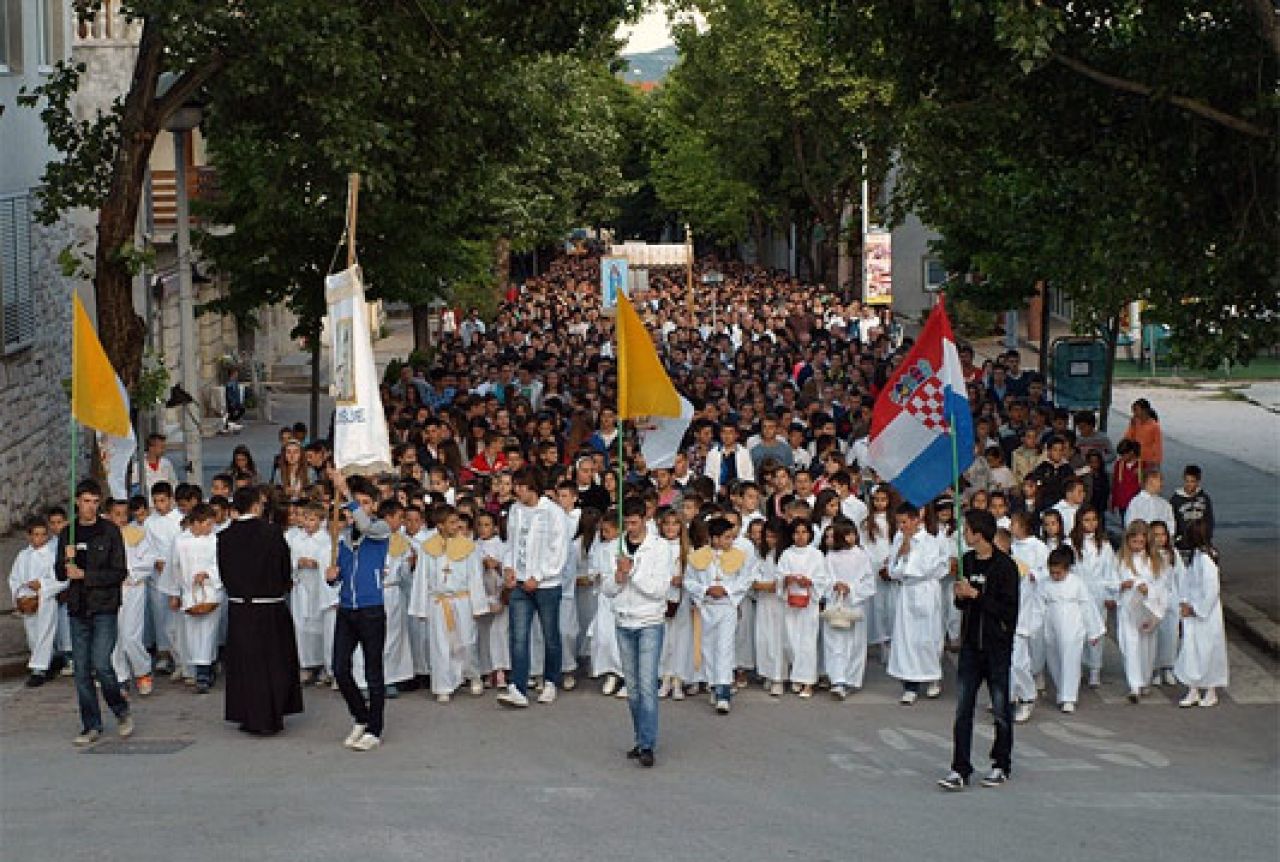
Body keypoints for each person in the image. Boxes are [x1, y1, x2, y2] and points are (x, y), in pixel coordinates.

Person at [937, 510, 1019, 791]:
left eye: (967, 529)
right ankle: (960, 768)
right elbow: (963, 606)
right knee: (963, 710)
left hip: (996, 648)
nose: (964, 534)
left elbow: (1008, 611)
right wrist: (960, 597)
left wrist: (977, 596)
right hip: (971, 646)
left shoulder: (1005, 567)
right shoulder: (967, 561)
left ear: (979, 533)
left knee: (999, 708)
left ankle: (1001, 763)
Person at [218, 486, 304, 736]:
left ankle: (248, 715)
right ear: (256, 506)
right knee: (272, 662)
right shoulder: (272, 534)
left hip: (239, 607)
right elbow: (283, 569)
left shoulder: (224, 537)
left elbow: (225, 573)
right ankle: (272, 714)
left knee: (245, 663)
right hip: (270, 606)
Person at [54, 479, 133, 746]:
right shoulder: (68, 533)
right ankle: (91, 724)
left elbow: (119, 571)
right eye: (85, 501)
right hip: (78, 608)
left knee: (101, 663)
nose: (89, 507)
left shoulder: (109, 531)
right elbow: (58, 572)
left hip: (104, 606)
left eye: (94, 502)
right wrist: (67, 560)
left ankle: (120, 709)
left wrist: (86, 575)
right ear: (77, 502)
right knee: (81, 671)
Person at [601, 500, 674, 768]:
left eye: (634, 522)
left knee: (646, 684)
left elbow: (658, 589)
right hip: (624, 621)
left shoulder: (660, 548)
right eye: (626, 523)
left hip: (650, 621)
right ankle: (639, 736)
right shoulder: (614, 547)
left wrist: (632, 573)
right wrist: (618, 577)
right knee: (632, 689)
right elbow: (607, 588)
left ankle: (647, 743)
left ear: (645, 518)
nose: (630, 528)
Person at [326, 474, 392, 749]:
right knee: (340, 668)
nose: (359, 507)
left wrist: (346, 492)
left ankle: (374, 729)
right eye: (356, 502)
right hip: (347, 608)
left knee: (373, 672)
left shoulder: (381, 529)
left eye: (365, 503)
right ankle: (360, 716)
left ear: (373, 506)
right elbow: (339, 574)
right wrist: (332, 577)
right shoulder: (342, 538)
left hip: (371, 609)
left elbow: (365, 525)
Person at [498, 468, 569, 708]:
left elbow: (557, 550)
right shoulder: (515, 511)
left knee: (550, 635)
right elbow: (511, 543)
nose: (516, 490)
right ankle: (517, 686)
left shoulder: (553, 512)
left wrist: (538, 576)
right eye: (514, 486)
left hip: (546, 585)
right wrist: (508, 569)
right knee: (518, 636)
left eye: (521, 486)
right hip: (519, 583)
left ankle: (550, 681)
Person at [685, 516, 752, 714]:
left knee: (724, 647)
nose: (730, 541)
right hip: (706, 606)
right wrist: (706, 589)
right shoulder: (698, 556)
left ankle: (724, 690)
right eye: (726, 537)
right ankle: (713, 684)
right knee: (707, 646)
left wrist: (727, 590)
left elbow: (745, 580)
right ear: (714, 538)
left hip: (726, 606)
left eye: (731, 537)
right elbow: (689, 581)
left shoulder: (738, 556)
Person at [887, 503, 949, 704]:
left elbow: (931, 568)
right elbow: (892, 571)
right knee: (908, 638)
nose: (901, 526)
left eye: (904, 522)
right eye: (898, 523)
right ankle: (910, 683)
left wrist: (910, 560)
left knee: (928, 637)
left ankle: (932, 677)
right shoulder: (898, 539)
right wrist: (902, 554)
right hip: (907, 592)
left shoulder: (930, 541)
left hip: (927, 591)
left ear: (916, 520)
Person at [164, 504, 224, 693]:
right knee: (192, 634)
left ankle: (204, 673)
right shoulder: (180, 541)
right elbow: (174, 568)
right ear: (196, 523)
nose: (210, 528)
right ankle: (199, 668)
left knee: (208, 633)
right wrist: (174, 593)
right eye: (207, 524)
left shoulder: (215, 540)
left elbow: (220, 564)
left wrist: (208, 574)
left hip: (211, 592)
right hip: (189, 593)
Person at [1039, 546, 1104, 714]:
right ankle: (1061, 690)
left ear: (1067, 569)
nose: (1054, 576)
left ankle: (1069, 697)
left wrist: (1093, 631)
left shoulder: (1077, 583)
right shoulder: (1044, 584)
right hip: (1051, 623)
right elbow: (1037, 607)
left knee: (1071, 659)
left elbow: (1087, 607)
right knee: (1054, 659)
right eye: (1052, 572)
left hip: (1073, 624)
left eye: (1058, 573)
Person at [1113, 520, 1169, 703]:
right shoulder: (1120, 559)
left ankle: (1144, 680)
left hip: (1148, 609)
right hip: (1128, 609)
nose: (1137, 546)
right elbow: (1111, 581)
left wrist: (1149, 591)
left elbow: (1162, 586)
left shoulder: (1155, 561)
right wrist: (1122, 585)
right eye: (1134, 542)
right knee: (1130, 646)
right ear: (1128, 540)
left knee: (1147, 647)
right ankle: (1134, 685)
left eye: (1141, 542)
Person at [1174, 520, 1228, 708]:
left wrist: (1196, 609)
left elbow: (1212, 590)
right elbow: (1188, 582)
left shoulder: (1206, 560)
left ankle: (1211, 689)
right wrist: (1184, 601)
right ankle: (1193, 689)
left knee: (1208, 651)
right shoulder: (1197, 556)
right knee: (1192, 650)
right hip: (1193, 612)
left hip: (1206, 615)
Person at [822, 521, 876, 699]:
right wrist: (834, 585)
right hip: (835, 603)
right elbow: (824, 578)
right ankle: (837, 680)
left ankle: (851, 679)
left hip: (855, 604)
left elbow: (869, 582)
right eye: (846, 534)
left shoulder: (862, 555)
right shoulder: (830, 556)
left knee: (854, 644)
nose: (850, 538)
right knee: (835, 643)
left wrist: (851, 588)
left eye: (853, 534)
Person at [8, 516, 64, 687]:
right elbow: (14, 578)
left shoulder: (52, 554)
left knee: (44, 632)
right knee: (32, 633)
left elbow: (60, 579)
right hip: (28, 601)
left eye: (43, 535)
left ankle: (39, 670)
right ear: (29, 536)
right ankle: (51, 660)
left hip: (46, 599)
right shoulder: (23, 555)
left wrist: (43, 586)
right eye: (36, 535)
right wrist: (19, 596)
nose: (39, 539)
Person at [1170, 465, 1214, 552]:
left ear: (1198, 482)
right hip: (1183, 544)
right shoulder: (1175, 499)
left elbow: (1209, 520)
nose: (1189, 484)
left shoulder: (1205, 498)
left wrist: (1207, 538)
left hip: (1202, 543)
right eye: (1187, 481)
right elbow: (1172, 520)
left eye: (1192, 481)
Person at [1123, 399, 1163, 474]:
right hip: (1135, 459)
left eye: (1136, 410)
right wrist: (1132, 426)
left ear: (1145, 410)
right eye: (1133, 411)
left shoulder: (1154, 426)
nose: (1134, 413)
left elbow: (1158, 448)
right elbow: (1127, 440)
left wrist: (1154, 466)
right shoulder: (1135, 422)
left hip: (1148, 462)